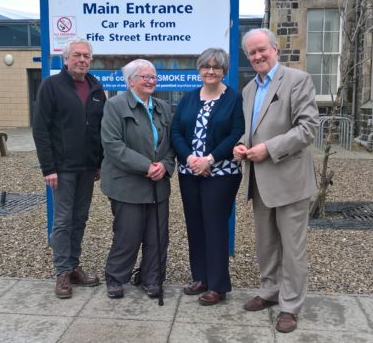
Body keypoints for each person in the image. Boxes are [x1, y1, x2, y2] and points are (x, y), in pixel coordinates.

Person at [233, 28, 319, 333]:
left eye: (262, 50)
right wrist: (241, 145)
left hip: (290, 180)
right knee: (266, 244)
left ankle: (290, 305)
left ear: (275, 49)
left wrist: (268, 149)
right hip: (258, 179)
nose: (257, 56)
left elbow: (308, 128)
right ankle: (270, 290)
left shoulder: (297, 80)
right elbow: (252, 130)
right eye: (252, 53)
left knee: (292, 249)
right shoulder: (248, 90)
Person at [32, 37, 106, 299]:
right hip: (61, 168)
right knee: (63, 220)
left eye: (86, 56)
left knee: (80, 218)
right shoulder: (51, 86)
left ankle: (74, 266)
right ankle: (62, 272)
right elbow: (41, 130)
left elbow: (98, 129)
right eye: (77, 55)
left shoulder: (96, 87)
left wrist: (98, 162)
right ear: (66, 59)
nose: (82, 60)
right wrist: (47, 168)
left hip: (87, 167)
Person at [170, 48, 244, 306]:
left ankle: (218, 285)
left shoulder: (233, 99)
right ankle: (200, 277)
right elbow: (176, 131)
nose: (211, 71)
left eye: (217, 67)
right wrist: (190, 159)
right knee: (195, 225)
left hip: (221, 173)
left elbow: (236, 132)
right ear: (199, 69)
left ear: (224, 70)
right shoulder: (189, 98)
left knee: (214, 226)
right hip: (189, 172)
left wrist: (209, 159)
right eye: (206, 66)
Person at [100, 59, 175, 299]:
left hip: (158, 184)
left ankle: (151, 278)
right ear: (131, 80)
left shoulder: (162, 107)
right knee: (128, 234)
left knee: (157, 235)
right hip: (127, 185)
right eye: (146, 77)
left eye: (154, 76)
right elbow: (112, 145)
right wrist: (146, 166)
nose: (152, 80)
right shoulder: (115, 105)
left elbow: (172, 144)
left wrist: (164, 165)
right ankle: (116, 277)